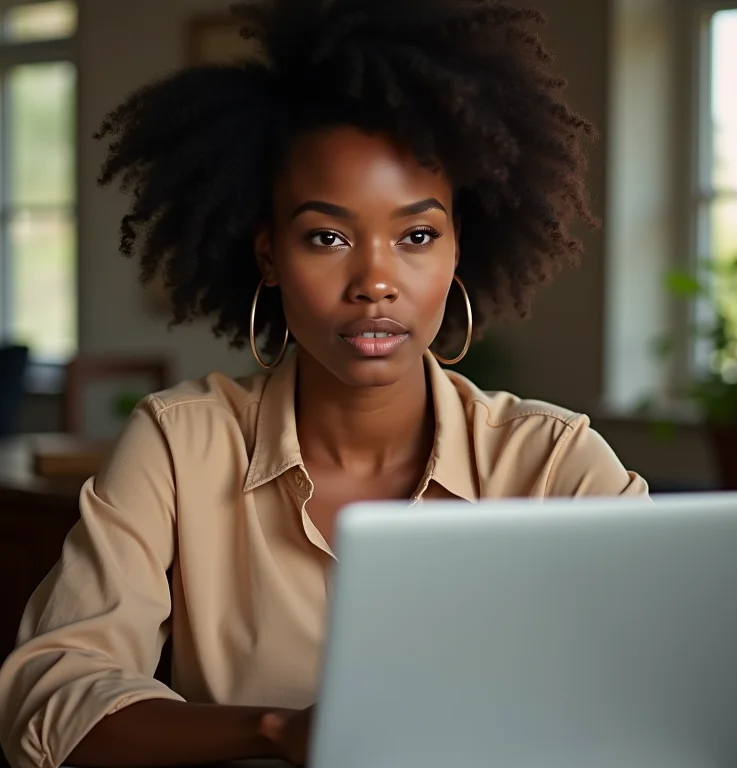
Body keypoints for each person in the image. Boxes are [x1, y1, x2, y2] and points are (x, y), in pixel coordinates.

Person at [0, 0, 649, 766]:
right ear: (269, 254)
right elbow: (49, 693)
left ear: (457, 250)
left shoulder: (557, 465)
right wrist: (274, 732)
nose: (376, 281)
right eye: (327, 236)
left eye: (416, 236)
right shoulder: (182, 445)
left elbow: (694, 700)